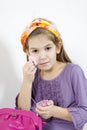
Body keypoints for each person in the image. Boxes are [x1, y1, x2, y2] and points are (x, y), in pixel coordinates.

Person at [15, 18, 87, 130]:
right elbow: (23, 112)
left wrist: (54, 111)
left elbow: (85, 112)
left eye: (48, 48)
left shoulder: (73, 72)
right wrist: (27, 80)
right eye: (35, 51)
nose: (42, 56)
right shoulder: (33, 74)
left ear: (58, 47)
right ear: (28, 53)